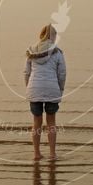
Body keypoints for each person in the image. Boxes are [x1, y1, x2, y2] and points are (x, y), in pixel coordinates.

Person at [24, 25, 67, 160]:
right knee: (51, 122)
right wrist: (60, 89)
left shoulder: (31, 51)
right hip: (52, 90)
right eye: (55, 36)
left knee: (36, 122)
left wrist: (29, 88)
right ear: (51, 36)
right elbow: (62, 73)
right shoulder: (57, 52)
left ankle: (36, 154)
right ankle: (52, 154)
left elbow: (26, 72)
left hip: (34, 89)